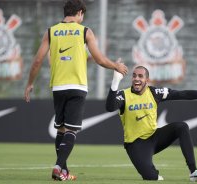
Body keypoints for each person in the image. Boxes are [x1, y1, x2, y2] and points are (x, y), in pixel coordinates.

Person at [24, 0, 128, 181]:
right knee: (71, 131)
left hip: (58, 87)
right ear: (80, 13)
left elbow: (37, 61)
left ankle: (63, 171)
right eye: (83, 15)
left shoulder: (51, 31)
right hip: (77, 86)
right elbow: (99, 59)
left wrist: (30, 83)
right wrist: (116, 66)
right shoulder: (85, 31)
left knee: (61, 130)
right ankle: (58, 167)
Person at [105, 65, 197, 181]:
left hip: (154, 137)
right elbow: (110, 107)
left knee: (181, 127)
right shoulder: (124, 95)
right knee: (151, 177)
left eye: (140, 76)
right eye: (134, 76)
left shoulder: (154, 92)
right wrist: (116, 81)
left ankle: (194, 172)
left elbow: (182, 94)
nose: (136, 79)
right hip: (135, 144)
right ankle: (152, 172)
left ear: (147, 80)